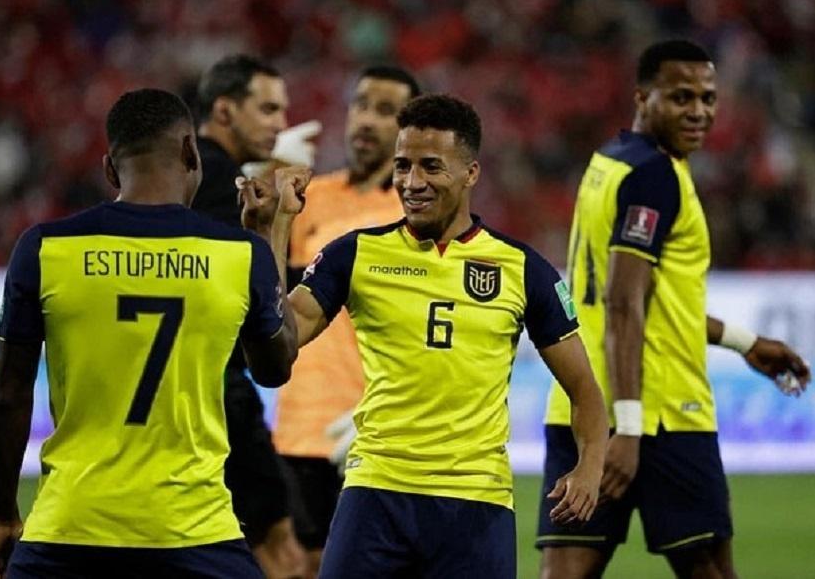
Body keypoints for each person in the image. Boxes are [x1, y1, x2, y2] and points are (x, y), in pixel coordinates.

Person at [242, 94, 609, 577]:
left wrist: (589, 468)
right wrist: (273, 229)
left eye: (431, 167)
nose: (412, 183)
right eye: (402, 166)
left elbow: (585, 391)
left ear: (471, 173)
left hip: (475, 501)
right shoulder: (354, 255)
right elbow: (275, 356)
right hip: (376, 490)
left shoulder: (524, 270)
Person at [0, 88, 300, 579]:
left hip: (69, 531)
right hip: (195, 532)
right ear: (192, 153)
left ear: (110, 170)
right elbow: (275, 368)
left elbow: (7, 395)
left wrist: (2, 514)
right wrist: (268, 235)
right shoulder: (239, 254)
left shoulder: (45, 249)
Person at [538, 40, 811, 579]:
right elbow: (621, 301)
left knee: (565, 573)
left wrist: (744, 342)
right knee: (709, 568)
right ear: (643, 96)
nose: (699, 111)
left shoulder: (608, 162)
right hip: (661, 410)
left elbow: (648, 299)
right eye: (681, 97)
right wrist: (631, 428)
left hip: (578, 403)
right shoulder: (655, 176)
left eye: (708, 98)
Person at [272, 65, 420, 576]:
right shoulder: (310, 197)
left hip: (373, 433)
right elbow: (271, 292)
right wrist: (263, 178)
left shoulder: (415, 215)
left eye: (386, 111)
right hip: (299, 428)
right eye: (361, 105)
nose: (367, 120)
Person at [192, 53, 312, 577]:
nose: (279, 123)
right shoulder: (220, 186)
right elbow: (262, 294)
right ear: (224, 110)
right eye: (266, 109)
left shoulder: (180, 177)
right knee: (282, 548)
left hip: (180, 395)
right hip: (221, 391)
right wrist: (279, 218)